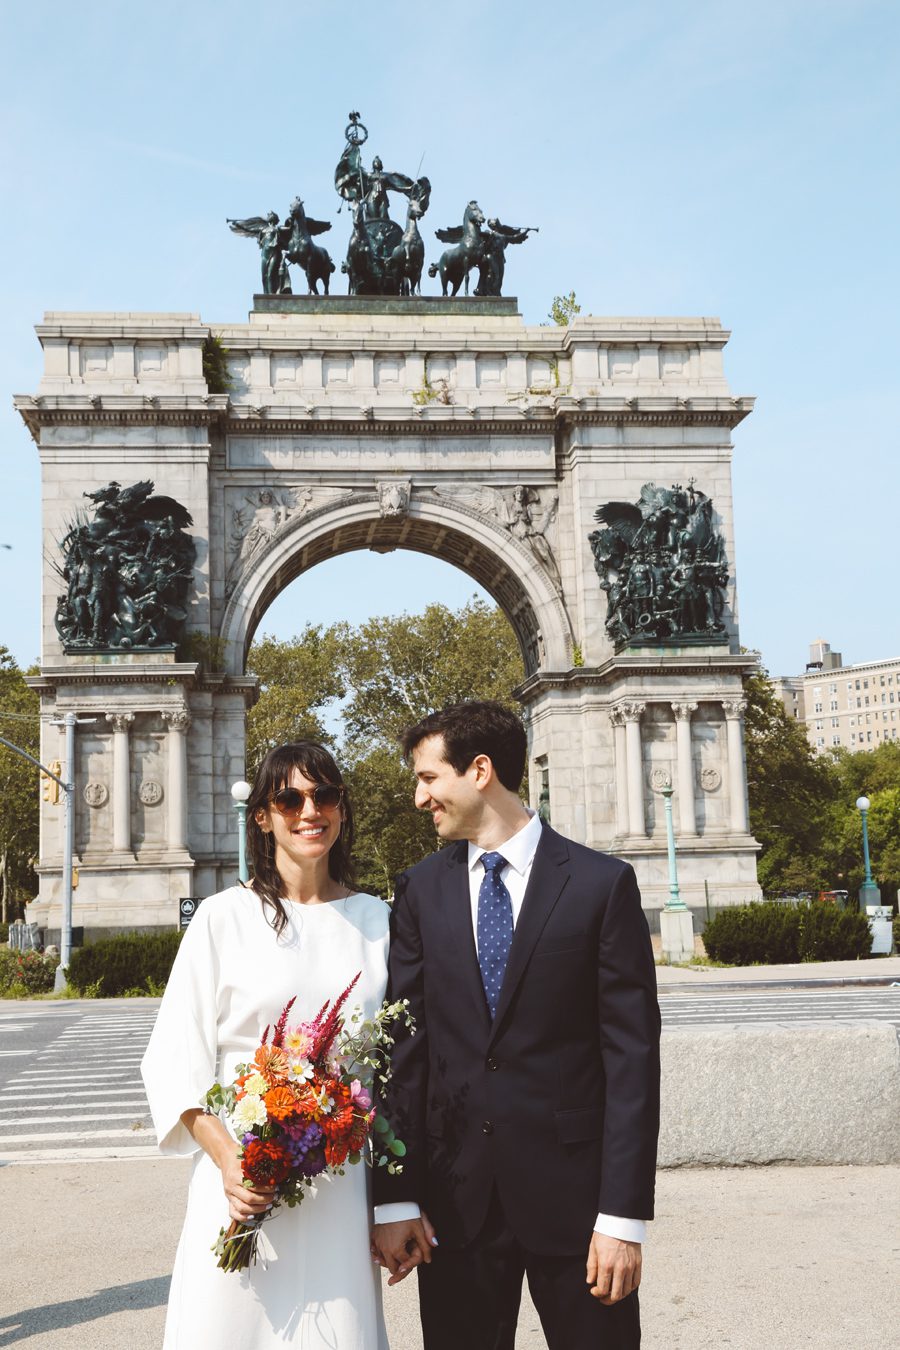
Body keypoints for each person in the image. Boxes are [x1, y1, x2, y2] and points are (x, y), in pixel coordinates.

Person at [371, 701, 661, 1350]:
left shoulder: (601, 885)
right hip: (454, 1207)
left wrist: (624, 1217)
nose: (419, 798)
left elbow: (632, 1061)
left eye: (427, 778)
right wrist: (394, 1198)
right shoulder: (417, 892)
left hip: (580, 1208)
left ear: (480, 771)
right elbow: (403, 1054)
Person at [141, 742, 390, 1350]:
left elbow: (398, 1066)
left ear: (341, 809)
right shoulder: (221, 918)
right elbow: (176, 1057)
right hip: (241, 1179)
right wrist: (232, 1162)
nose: (310, 811)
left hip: (340, 1183)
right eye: (290, 798)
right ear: (262, 816)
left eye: (324, 795)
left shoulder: (379, 920)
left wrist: (396, 1203)